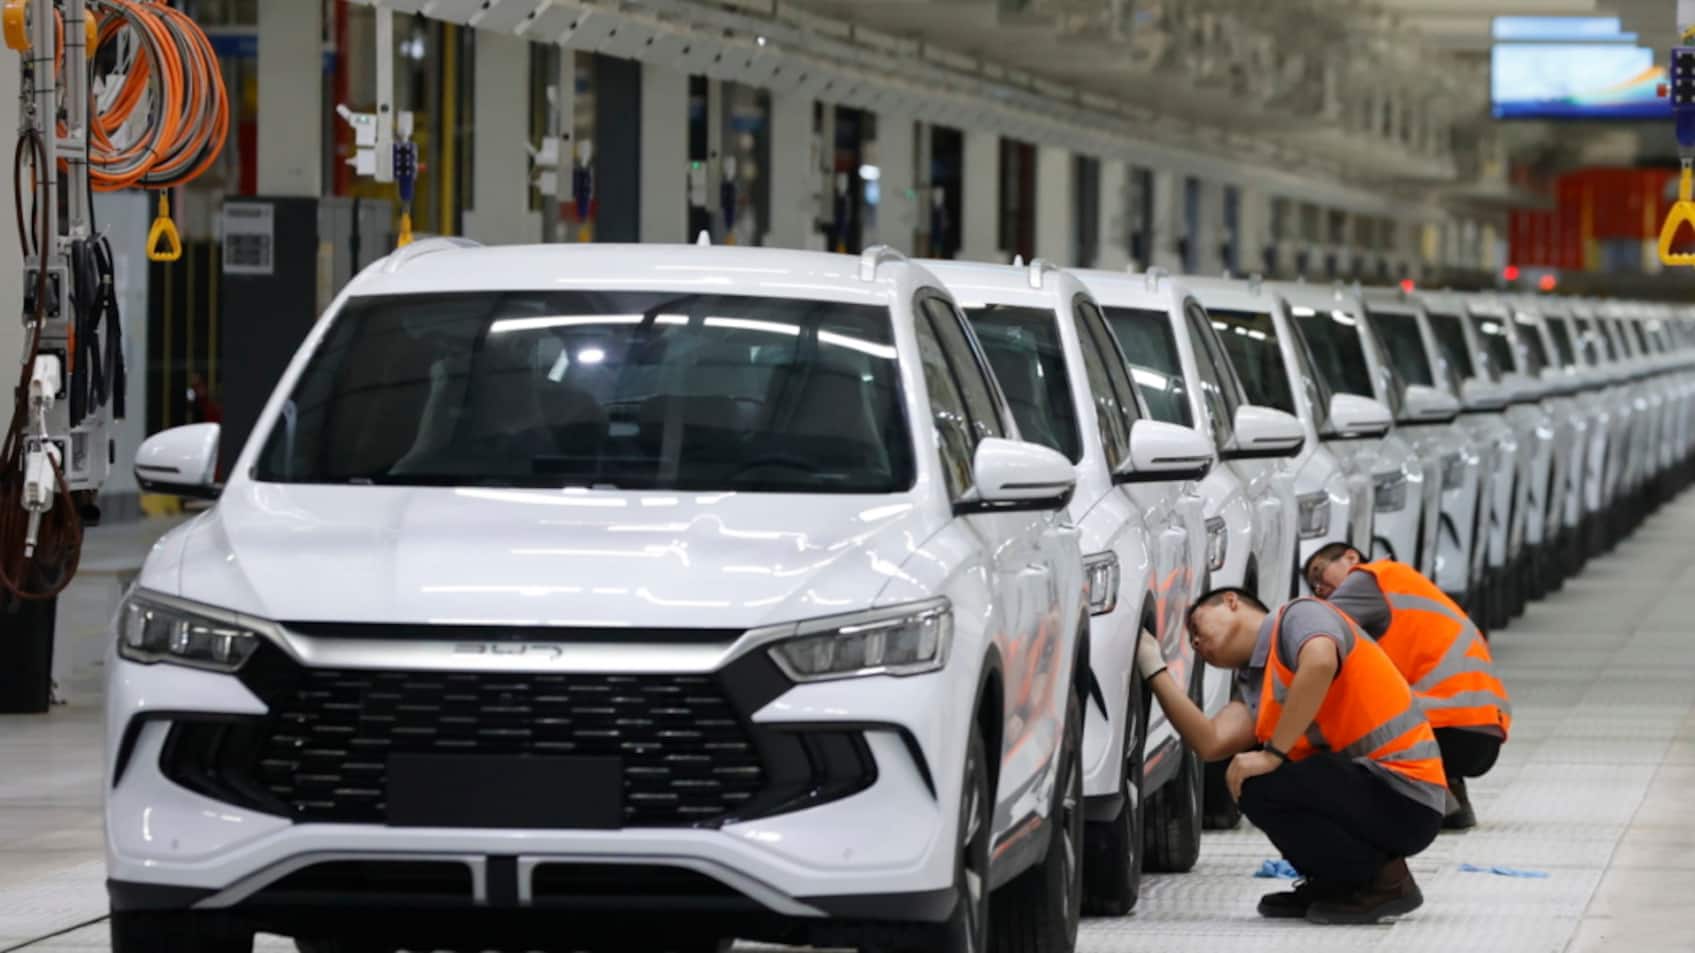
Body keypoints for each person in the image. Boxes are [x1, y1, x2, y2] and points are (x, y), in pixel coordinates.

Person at [1136, 588, 1446, 924]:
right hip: (1375, 796)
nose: (1196, 642)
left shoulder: (1300, 617)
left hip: (1406, 793)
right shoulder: (1257, 684)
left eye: (1197, 626)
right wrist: (1154, 668)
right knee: (1253, 784)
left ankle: (1385, 882)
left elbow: (1321, 661)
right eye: (1192, 641)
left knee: (1269, 778)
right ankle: (1337, 883)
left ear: (1231, 601)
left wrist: (1272, 754)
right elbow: (1210, 742)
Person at [1304, 543, 1512, 830]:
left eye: (1319, 572)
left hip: (1450, 729)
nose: (1318, 589)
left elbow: (1309, 628)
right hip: (1483, 731)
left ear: (1351, 558)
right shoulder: (1402, 582)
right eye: (1313, 586)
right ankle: (1450, 797)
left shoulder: (1366, 579)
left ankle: (1415, 803)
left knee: (1348, 719)